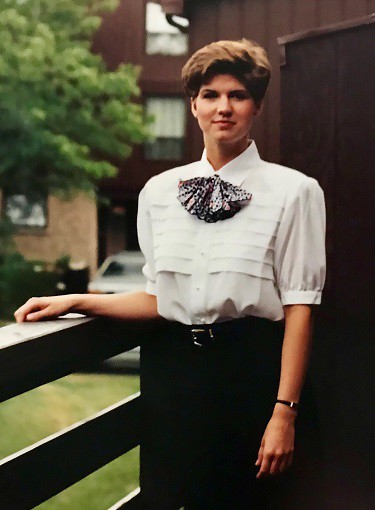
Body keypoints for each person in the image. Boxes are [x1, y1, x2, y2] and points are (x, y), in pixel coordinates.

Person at [15, 39, 326, 509]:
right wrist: (77, 301)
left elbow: (299, 308)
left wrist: (284, 412)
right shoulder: (159, 193)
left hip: (253, 377)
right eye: (211, 95)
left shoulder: (294, 192)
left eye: (237, 95)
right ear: (194, 105)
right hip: (172, 376)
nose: (223, 107)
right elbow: (161, 299)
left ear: (256, 105)